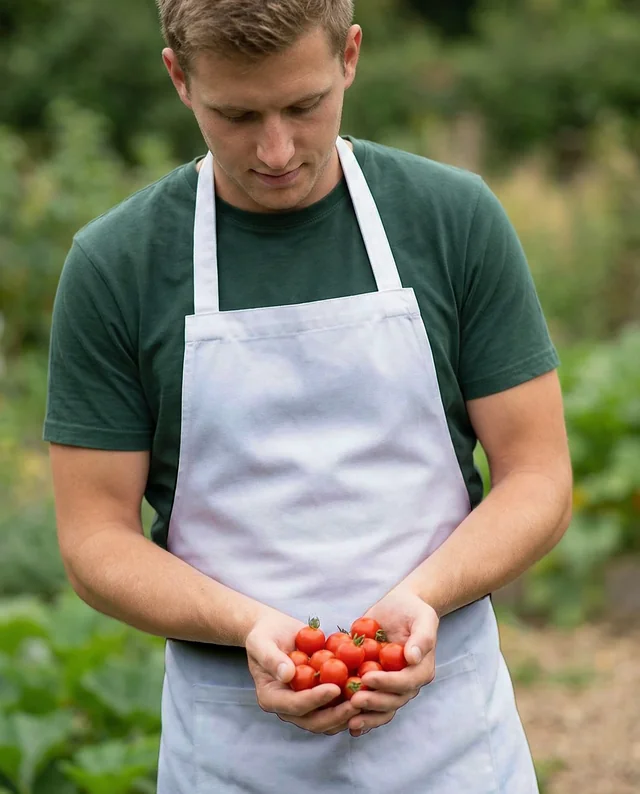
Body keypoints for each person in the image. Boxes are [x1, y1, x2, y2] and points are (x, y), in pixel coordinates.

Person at [44, 1, 573, 792]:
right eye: (236, 114)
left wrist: (423, 598)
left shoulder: (451, 218)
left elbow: (539, 476)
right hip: (232, 743)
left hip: (451, 736)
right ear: (178, 77)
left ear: (350, 56)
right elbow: (94, 541)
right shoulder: (117, 266)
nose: (276, 149)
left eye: (304, 105)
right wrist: (248, 625)